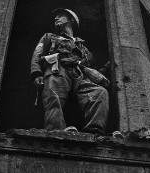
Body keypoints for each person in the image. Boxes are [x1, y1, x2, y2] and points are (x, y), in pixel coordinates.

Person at [30, 8, 109, 136]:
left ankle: (95, 131)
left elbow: (92, 67)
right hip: (57, 69)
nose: (56, 18)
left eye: (61, 16)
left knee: (100, 93)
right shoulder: (49, 37)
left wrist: (108, 65)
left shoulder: (82, 46)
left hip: (79, 73)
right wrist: (37, 73)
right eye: (56, 17)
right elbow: (37, 55)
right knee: (53, 97)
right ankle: (56, 131)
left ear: (71, 20)